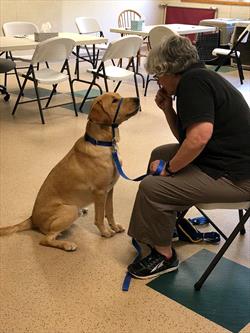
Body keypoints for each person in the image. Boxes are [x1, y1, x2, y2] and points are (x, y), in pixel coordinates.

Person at [127, 35, 250, 279]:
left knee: (152, 187)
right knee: (159, 153)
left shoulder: (193, 83)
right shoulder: (199, 78)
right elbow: (187, 139)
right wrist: (167, 110)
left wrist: (169, 170)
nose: (158, 82)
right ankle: (168, 220)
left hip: (239, 178)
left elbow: (200, 138)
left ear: (169, 70)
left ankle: (164, 256)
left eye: (157, 76)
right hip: (224, 162)